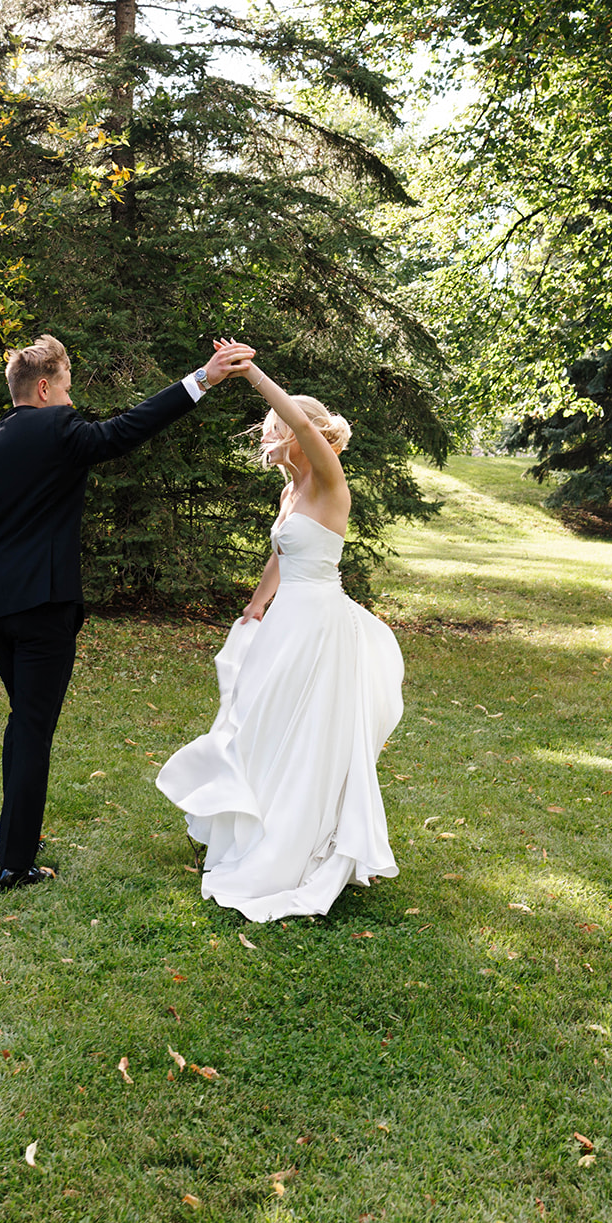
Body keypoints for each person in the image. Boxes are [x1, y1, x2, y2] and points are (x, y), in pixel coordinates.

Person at [0, 332, 255, 891]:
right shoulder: (59, 430)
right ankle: (15, 863)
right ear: (43, 388)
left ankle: (20, 833)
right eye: (66, 388)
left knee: (24, 721)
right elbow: (129, 429)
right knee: (33, 727)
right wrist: (203, 378)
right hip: (45, 610)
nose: (71, 400)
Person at [156, 356, 404, 921]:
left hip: (319, 626)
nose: (265, 437)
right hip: (286, 617)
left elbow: (299, 419)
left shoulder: (326, 480)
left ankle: (298, 845)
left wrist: (253, 376)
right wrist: (256, 604)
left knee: (305, 732)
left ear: (295, 433)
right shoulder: (291, 492)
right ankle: (251, 828)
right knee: (258, 718)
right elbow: (281, 553)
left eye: (273, 428)